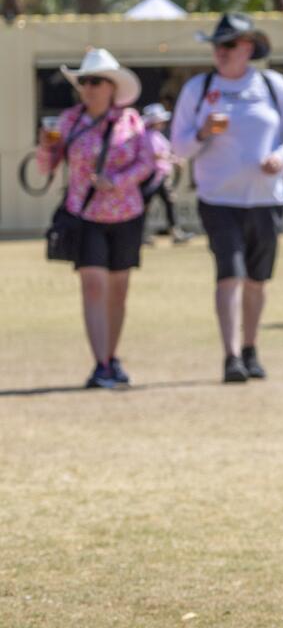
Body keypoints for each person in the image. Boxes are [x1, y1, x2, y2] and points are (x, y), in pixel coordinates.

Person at [170, 13, 283, 384]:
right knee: (228, 275)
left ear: (248, 47)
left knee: (256, 280)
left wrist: (280, 158)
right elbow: (178, 147)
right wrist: (202, 132)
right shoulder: (198, 89)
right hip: (218, 199)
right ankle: (230, 356)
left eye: (229, 44)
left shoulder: (272, 85)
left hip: (266, 198)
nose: (220, 52)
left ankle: (251, 348)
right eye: (217, 45)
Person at [37, 49, 152, 389]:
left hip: (126, 215)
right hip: (84, 215)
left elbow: (149, 163)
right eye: (84, 81)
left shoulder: (131, 122)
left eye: (95, 81)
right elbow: (47, 167)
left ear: (112, 86)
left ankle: (112, 357)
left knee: (118, 289)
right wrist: (45, 147)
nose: (88, 88)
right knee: (93, 285)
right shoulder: (70, 120)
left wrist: (116, 182)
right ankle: (100, 363)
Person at [137, 102, 187, 244]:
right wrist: (175, 160)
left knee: (169, 202)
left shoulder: (156, 135)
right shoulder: (148, 135)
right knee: (145, 205)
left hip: (160, 176)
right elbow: (156, 155)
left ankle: (175, 231)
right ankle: (141, 235)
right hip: (151, 176)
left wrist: (173, 159)